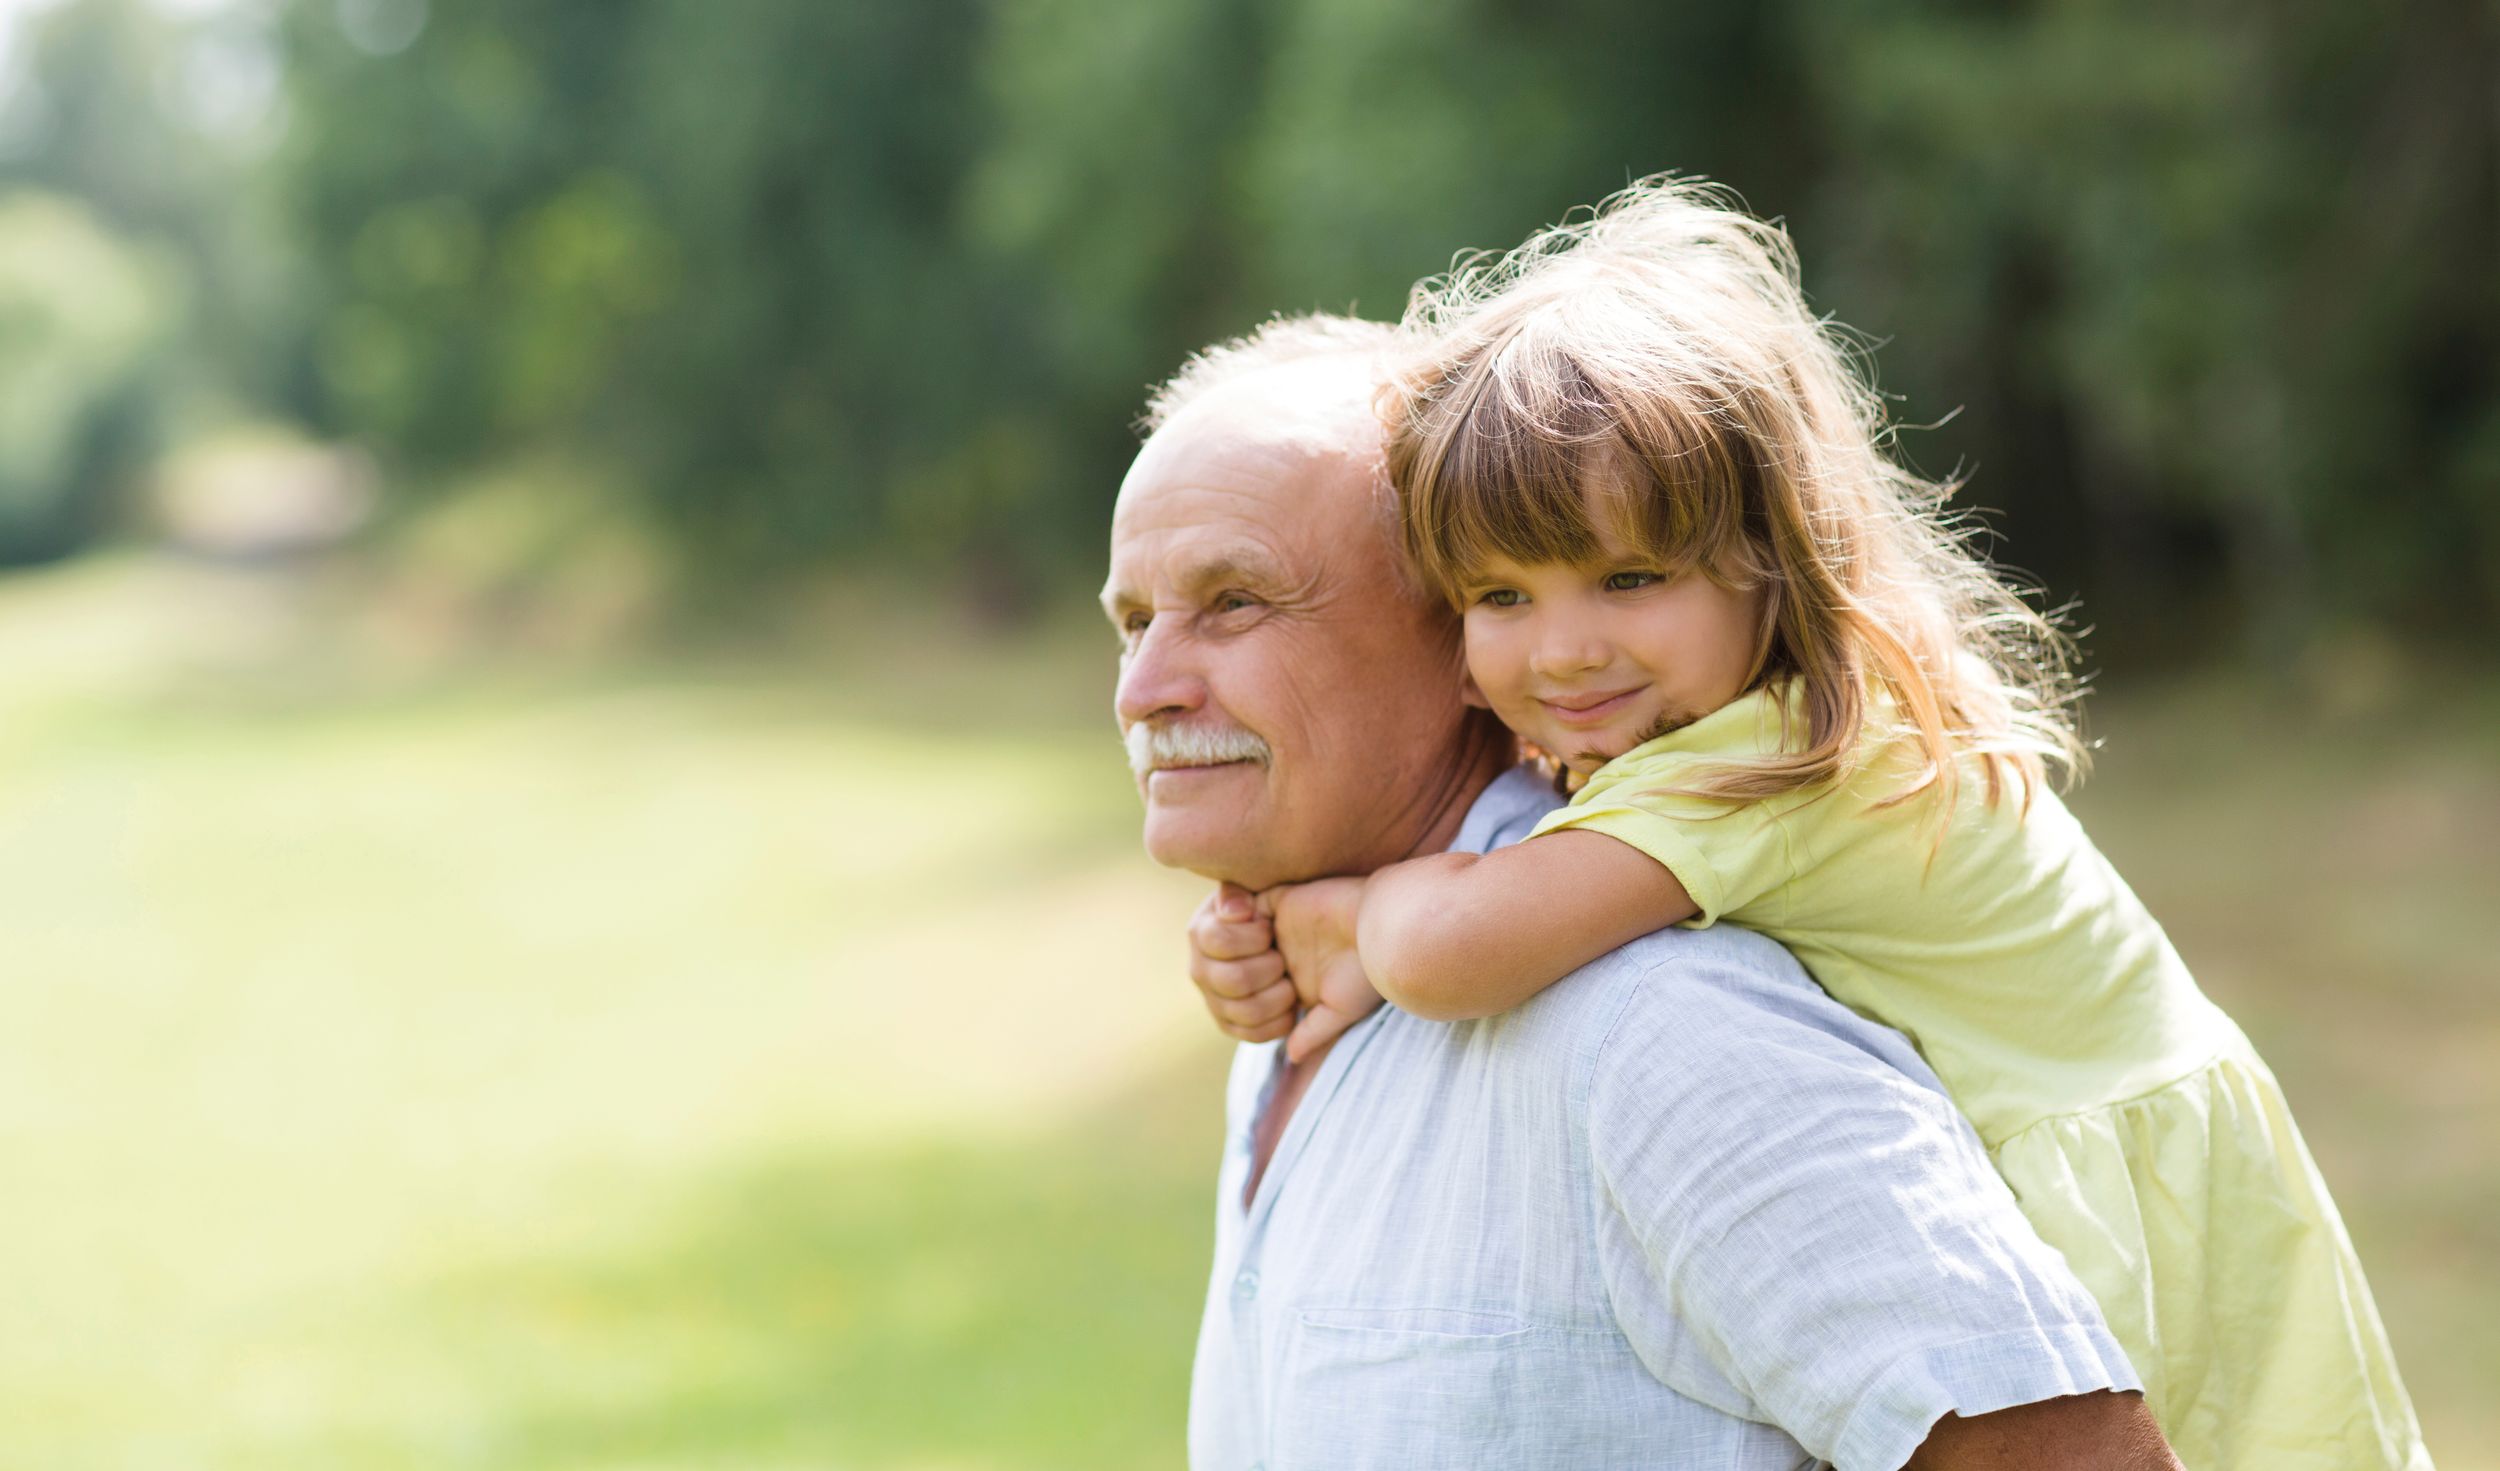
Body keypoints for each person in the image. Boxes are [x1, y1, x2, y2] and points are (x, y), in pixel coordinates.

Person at [1203, 178, 2428, 1471]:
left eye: (1629, 577)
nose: (1564, 649)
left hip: (2124, 1202)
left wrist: (1353, 913)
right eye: (1500, 594)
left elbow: (1457, 952)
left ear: (1772, 558)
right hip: (2151, 1144)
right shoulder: (1726, 718)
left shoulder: (1765, 766)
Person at [1108, 315, 2179, 1468]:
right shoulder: (1292, 1003)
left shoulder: (1659, 1024)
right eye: (1131, 621)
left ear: (1451, 635)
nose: (1144, 689)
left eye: (1234, 602)